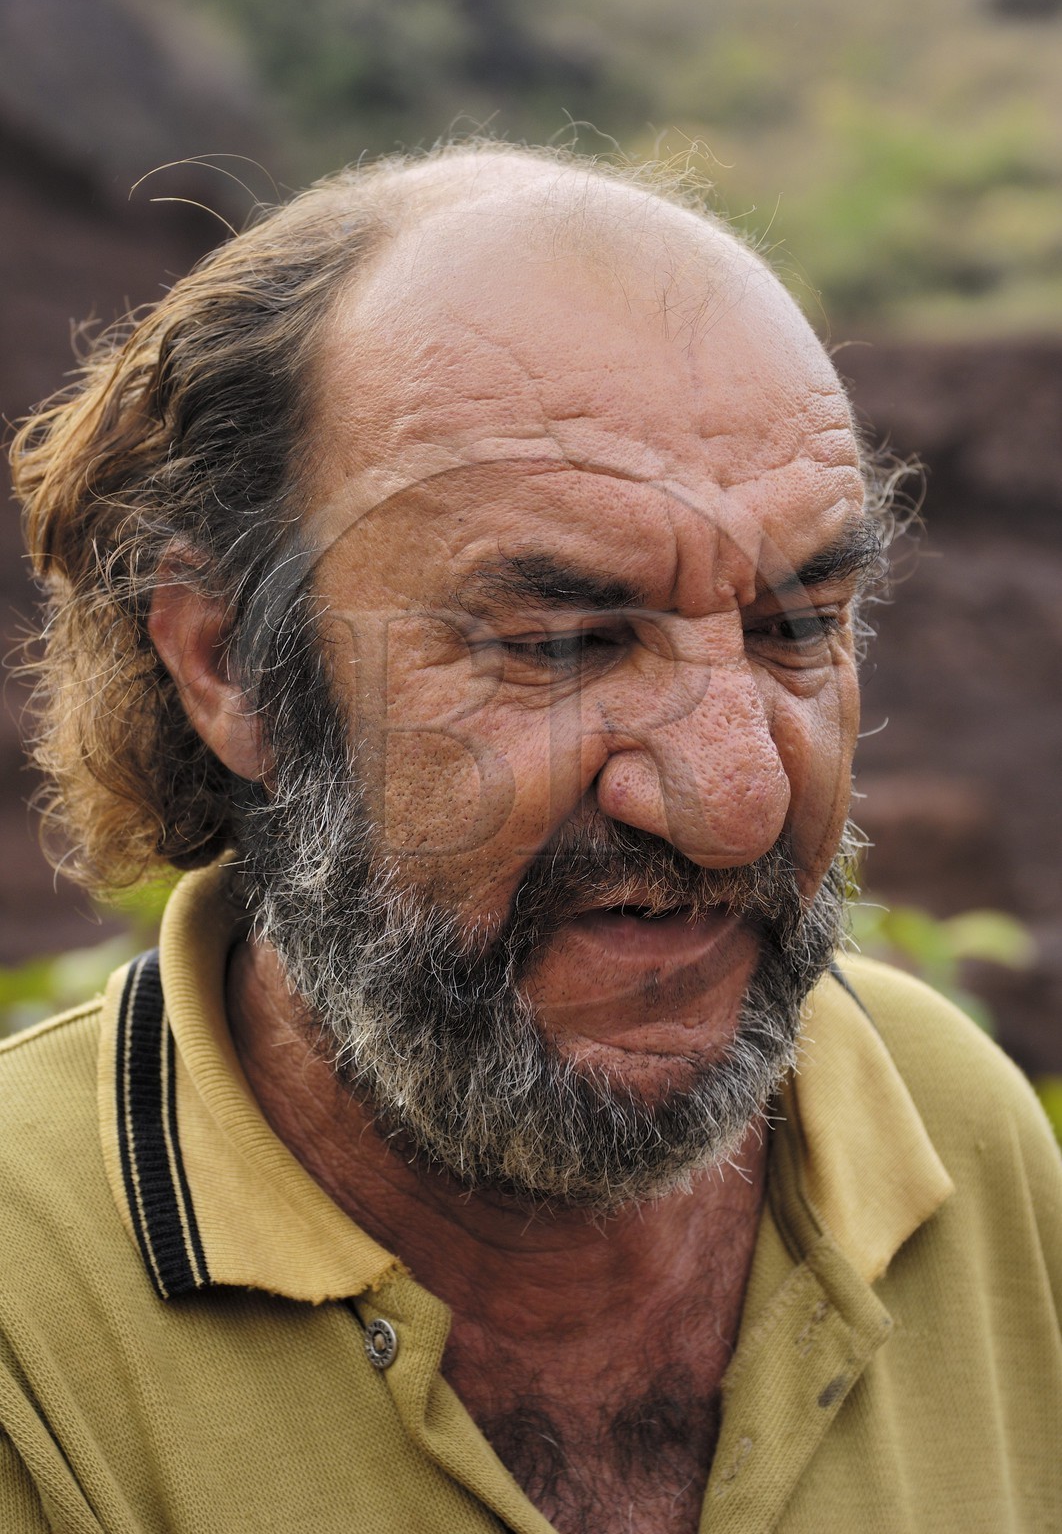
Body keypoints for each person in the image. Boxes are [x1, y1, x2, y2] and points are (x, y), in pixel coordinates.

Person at [1, 143, 1058, 1534]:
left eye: (794, 626)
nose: (738, 800)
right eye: (565, 644)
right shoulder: (30, 1318)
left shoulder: (948, 1129)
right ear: (230, 667)